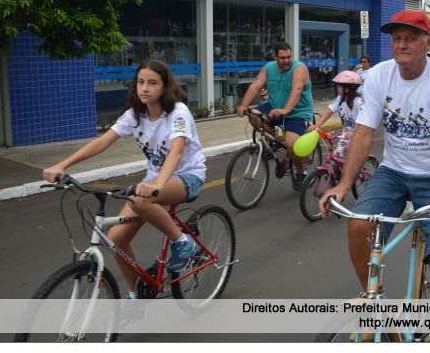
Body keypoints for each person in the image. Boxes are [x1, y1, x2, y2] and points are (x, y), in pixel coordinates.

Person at [319, 10, 430, 343]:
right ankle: (372, 301)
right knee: (358, 223)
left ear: (428, 43)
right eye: (397, 38)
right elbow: (364, 131)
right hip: (394, 171)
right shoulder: (380, 75)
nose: (402, 44)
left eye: (411, 37)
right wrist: (342, 185)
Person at [43, 59, 206, 300]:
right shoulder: (135, 115)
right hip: (153, 183)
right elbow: (103, 141)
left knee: (141, 199)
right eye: (141, 82)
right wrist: (62, 165)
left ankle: (183, 243)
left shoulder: (178, 112)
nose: (145, 88)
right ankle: (134, 294)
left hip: (188, 176)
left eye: (152, 83)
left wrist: (157, 185)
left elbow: (177, 151)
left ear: (165, 86)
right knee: (117, 239)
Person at [236, 41, 314, 189]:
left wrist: (285, 110)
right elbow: (255, 86)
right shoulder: (269, 68)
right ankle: (274, 141)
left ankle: (301, 171)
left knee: (292, 146)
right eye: (283, 58)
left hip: (298, 111)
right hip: (274, 105)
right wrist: (244, 105)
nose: (287, 61)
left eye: (289, 57)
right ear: (275, 57)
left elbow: (296, 90)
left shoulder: (299, 69)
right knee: (253, 115)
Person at [309, 70, 362, 161]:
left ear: (347, 89)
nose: (337, 88)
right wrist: (317, 126)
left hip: (359, 135)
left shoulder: (358, 102)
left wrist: (354, 132)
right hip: (346, 135)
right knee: (336, 159)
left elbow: (363, 120)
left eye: (339, 86)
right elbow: (329, 111)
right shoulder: (340, 99)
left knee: (350, 162)